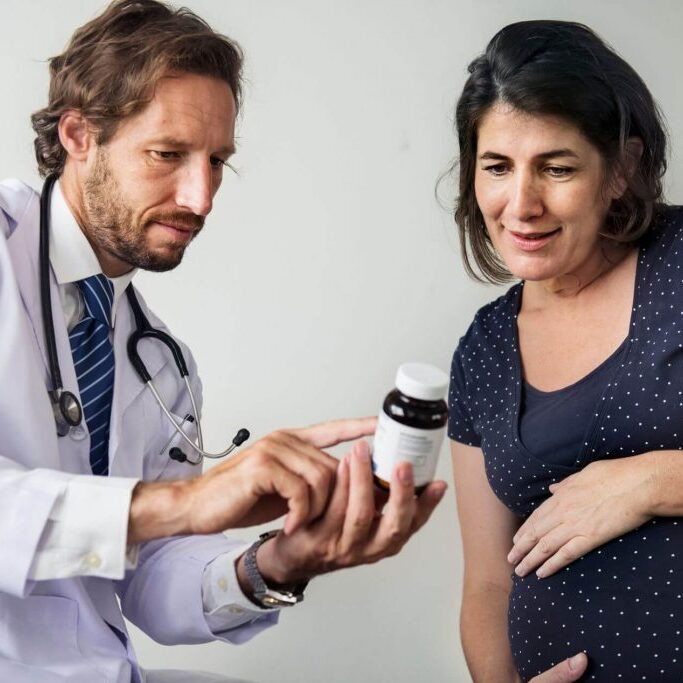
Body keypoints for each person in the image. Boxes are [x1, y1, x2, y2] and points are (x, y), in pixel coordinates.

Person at [0, 1, 448, 681]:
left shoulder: (163, 364)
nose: (200, 196)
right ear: (77, 134)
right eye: (168, 154)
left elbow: (155, 576)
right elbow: (161, 512)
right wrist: (188, 500)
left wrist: (278, 561)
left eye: (217, 162)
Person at [448, 19, 683, 682]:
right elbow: (487, 587)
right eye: (496, 167)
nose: (520, 204)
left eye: (556, 167)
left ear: (622, 168)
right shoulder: (483, 350)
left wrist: (653, 482)